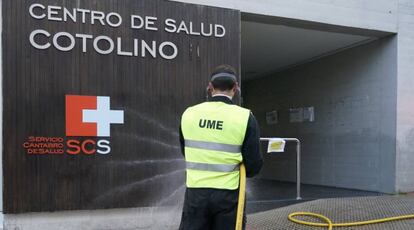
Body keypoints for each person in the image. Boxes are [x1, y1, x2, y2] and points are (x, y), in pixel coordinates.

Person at [178, 64, 263, 230]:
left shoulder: (189, 113)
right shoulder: (245, 117)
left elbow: (185, 151)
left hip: (196, 193)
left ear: (210, 87)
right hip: (228, 196)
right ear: (235, 88)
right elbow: (253, 164)